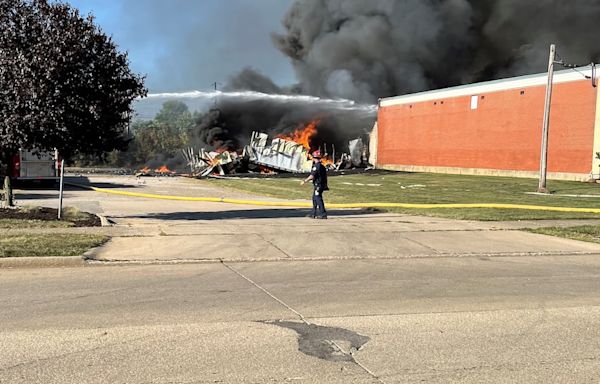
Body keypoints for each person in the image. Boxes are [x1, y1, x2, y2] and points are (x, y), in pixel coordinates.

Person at [301, 150, 328, 219]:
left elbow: (312, 176)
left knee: (318, 198)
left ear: (315, 158)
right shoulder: (322, 166)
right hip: (320, 184)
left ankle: (323, 214)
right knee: (314, 198)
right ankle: (313, 213)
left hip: (318, 185)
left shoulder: (316, 166)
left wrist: (305, 181)